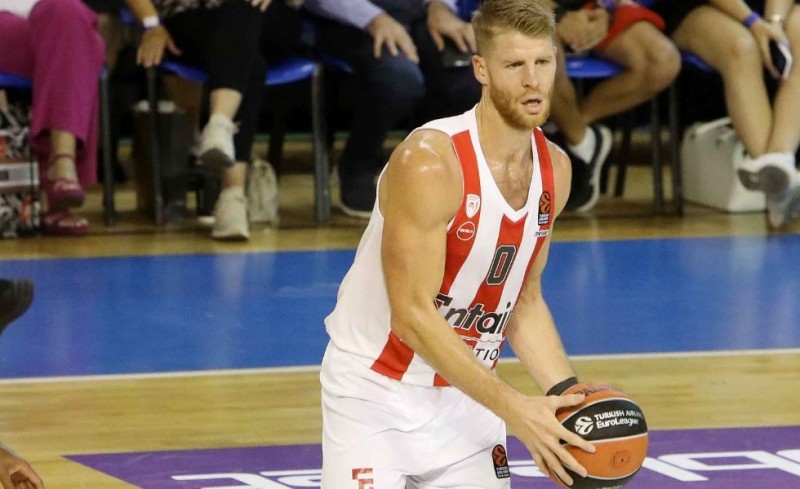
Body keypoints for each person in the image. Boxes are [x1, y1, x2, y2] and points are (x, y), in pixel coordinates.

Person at [320, 0, 596, 486]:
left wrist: (568, 399)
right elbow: (412, 315)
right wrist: (516, 408)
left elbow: (522, 299)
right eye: (514, 65)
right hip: (376, 392)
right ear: (481, 70)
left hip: (470, 392)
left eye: (543, 62)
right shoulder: (431, 162)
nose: (532, 80)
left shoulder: (556, 168)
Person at [302, 0, 483, 218]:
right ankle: (357, 166)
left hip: (419, 14)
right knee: (399, 80)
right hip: (347, 19)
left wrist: (440, 8)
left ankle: (429, 165)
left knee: (470, 77)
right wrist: (373, 18)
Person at [125, 0, 268, 240]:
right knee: (249, 60)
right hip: (193, 18)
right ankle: (232, 193)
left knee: (242, 19)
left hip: (268, 16)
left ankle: (220, 128)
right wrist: (152, 24)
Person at [650, 0, 800, 228]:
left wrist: (774, 21)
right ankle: (778, 187)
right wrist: (753, 22)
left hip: (769, 7)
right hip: (696, 7)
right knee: (740, 47)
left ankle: (780, 162)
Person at [0, 0, 106, 236]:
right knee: (80, 46)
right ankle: (60, 173)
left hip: (49, 20)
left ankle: (61, 165)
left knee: (68, 13)